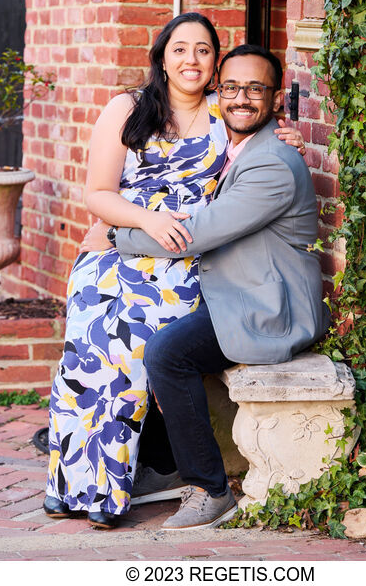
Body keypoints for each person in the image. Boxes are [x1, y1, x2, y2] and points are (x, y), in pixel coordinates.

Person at [43, 15, 304, 529]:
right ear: (162, 56)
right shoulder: (128, 108)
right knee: (88, 358)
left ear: (214, 63)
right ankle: (72, 484)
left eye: (203, 51)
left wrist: (285, 132)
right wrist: (140, 220)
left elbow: (259, 141)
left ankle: (111, 492)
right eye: (180, 49)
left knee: (134, 360)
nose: (191, 60)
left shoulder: (222, 116)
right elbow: (97, 192)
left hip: (183, 264)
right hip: (118, 251)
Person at [92, 44, 330, 531]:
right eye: (233, 87)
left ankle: (210, 489)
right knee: (139, 319)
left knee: (168, 353)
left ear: (276, 98)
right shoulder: (238, 143)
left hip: (266, 307)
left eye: (256, 89)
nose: (243, 98)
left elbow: (198, 232)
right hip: (236, 289)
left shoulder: (272, 164)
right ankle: (163, 465)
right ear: (219, 92)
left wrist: (118, 234)